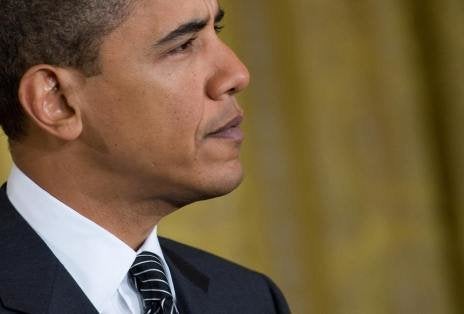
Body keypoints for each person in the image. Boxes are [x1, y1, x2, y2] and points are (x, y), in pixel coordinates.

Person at [0, 0, 290, 313]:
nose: (237, 74)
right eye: (182, 45)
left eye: (215, 29)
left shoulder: (251, 299)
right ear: (58, 101)